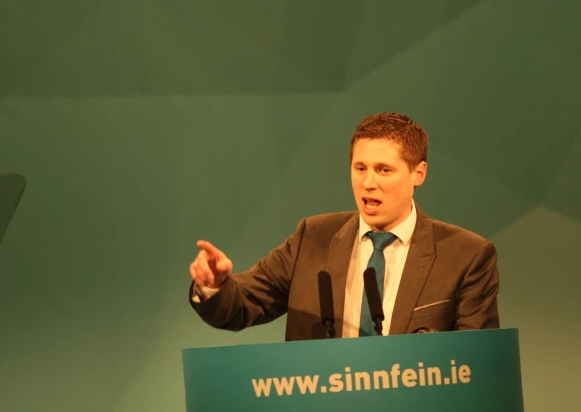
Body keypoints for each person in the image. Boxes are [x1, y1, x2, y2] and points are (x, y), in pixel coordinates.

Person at [188, 112, 499, 340]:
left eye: (384, 170)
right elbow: (243, 305)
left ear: (418, 174)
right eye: (360, 168)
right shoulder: (312, 238)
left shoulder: (466, 255)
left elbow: (477, 367)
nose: (368, 183)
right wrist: (214, 286)